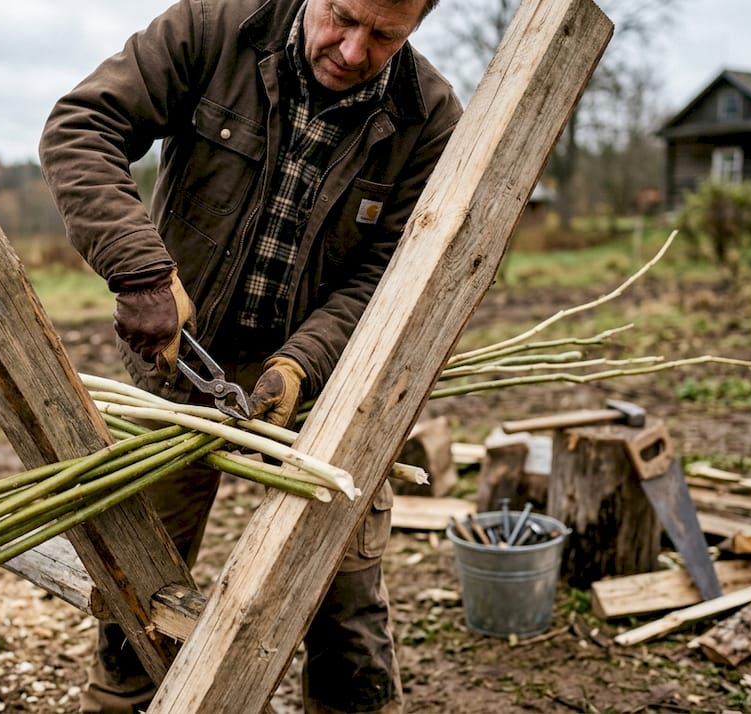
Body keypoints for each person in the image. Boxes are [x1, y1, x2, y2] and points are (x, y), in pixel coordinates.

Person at [40, 0, 461, 710]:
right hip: (180, 366)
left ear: (417, 24)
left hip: (330, 382)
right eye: (342, 16)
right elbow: (82, 126)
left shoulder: (430, 120)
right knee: (136, 585)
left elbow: (390, 274)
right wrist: (140, 271)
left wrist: (302, 363)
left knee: (345, 595)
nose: (354, 50)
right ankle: (121, 701)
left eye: (384, 35)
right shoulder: (214, 31)